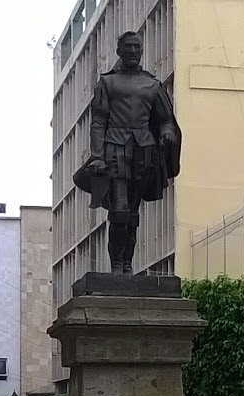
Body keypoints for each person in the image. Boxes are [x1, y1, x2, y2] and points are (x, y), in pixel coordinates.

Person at [73, 31, 181, 274]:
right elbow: (98, 121)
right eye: (128, 47)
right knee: (119, 209)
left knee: (132, 213)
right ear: (119, 51)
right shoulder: (107, 83)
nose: (133, 51)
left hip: (144, 153)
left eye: (136, 47)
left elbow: (165, 119)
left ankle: (127, 265)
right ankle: (116, 266)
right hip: (115, 151)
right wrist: (97, 155)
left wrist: (167, 133)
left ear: (141, 50)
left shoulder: (153, 84)